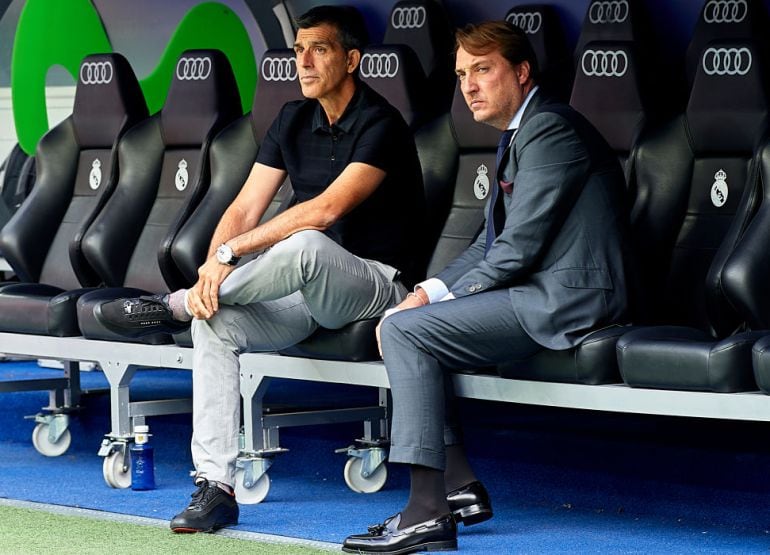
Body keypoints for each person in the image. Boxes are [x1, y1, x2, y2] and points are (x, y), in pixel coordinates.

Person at [95, 5, 426, 533]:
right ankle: (216, 486)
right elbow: (244, 209)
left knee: (307, 242)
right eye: (298, 50)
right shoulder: (292, 117)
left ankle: (172, 306)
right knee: (213, 322)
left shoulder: (381, 123)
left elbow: (325, 211)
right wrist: (209, 273)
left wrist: (227, 259)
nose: (305, 61)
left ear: (352, 59)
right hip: (303, 295)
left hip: (374, 284)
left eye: (319, 49)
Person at [342, 21, 635, 554]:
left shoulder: (550, 129)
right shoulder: (519, 134)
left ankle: (428, 511)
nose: (469, 86)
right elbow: (487, 242)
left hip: (567, 300)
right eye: (460, 75)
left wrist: (426, 311)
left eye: (482, 69)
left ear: (521, 73)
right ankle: (457, 489)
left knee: (408, 334)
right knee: (413, 325)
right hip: (533, 291)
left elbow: (517, 248)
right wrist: (426, 294)